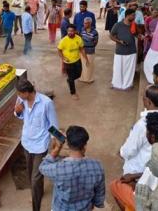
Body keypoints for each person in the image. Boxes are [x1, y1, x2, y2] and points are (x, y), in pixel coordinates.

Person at [110, 112, 158, 211]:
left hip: (151, 201)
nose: (146, 133)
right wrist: (134, 176)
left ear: (152, 136)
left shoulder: (157, 160)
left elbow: (141, 195)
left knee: (115, 185)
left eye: (147, 132)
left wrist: (134, 183)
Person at [14, 80, 58, 211]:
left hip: (40, 146)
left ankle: (36, 207)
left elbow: (53, 124)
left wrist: (56, 141)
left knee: (34, 179)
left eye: (20, 93)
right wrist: (17, 112)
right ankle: (38, 191)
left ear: (27, 92)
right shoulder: (21, 99)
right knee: (30, 173)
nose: (18, 96)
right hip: (26, 142)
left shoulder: (46, 103)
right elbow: (19, 115)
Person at [39, 126, 105, 211]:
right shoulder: (97, 166)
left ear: (68, 144)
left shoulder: (58, 169)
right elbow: (99, 197)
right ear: (85, 146)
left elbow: (42, 167)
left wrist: (57, 148)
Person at [120, 84, 158, 175]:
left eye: (144, 97)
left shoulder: (143, 125)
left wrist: (122, 152)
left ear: (149, 102)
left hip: (137, 169)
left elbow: (130, 150)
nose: (142, 98)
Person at [58, 24, 89, 100]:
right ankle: (73, 93)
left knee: (79, 74)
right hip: (68, 63)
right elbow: (59, 50)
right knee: (71, 78)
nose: (70, 32)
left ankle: (69, 80)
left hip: (77, 60)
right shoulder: (63, 40)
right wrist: (63, 58)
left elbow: (81, 49)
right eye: (68, 31)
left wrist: (86, 59)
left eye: (72, 31)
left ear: (75, 31)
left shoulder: (78, 39)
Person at [110, 9, 137, 90]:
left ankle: (127, 85)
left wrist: (139, 35)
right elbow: (111, 36)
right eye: (133, 15)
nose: (134, 16)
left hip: (131, 51)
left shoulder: (134, 25)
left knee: (129, 70)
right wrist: (119, 41)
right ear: (127, 15)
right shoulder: (117, 25)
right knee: (118, 69)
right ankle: (116, 84)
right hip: (120, 51)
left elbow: (137, 35)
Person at [79, 18, 98, 83]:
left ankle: (90, 79)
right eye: (84, 23)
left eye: (86, 23)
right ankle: (83, 78)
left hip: (90, 51)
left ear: (90, 23)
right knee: (83, 65)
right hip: (82, 51)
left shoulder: (94, 32)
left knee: (89, 65)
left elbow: (96, 42)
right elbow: (80, 39)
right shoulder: (82, 30)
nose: (84, 24)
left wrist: (90, 46)